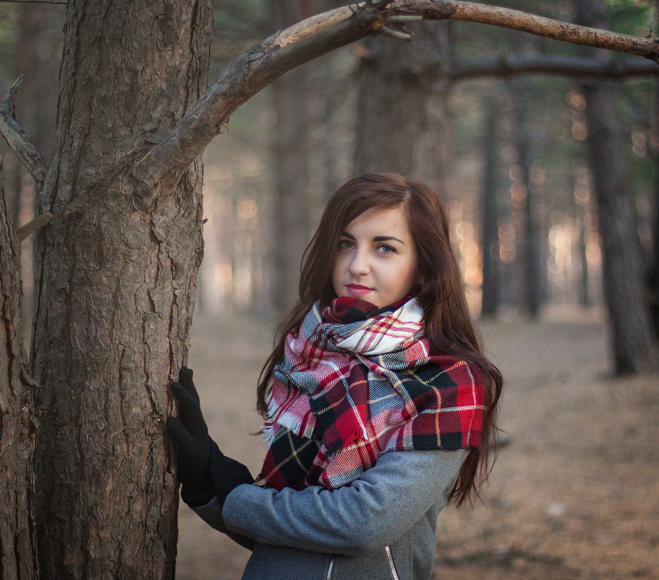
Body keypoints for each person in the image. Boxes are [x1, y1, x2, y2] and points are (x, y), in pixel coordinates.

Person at [168, 173, 503, 579]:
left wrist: (236, 497)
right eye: (346, 244)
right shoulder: (312, 359)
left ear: (422, 266)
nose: (357, 266)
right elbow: (290, 531)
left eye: (385, 248)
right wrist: (208, 481)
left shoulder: (450, 385)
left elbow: (362, 525)